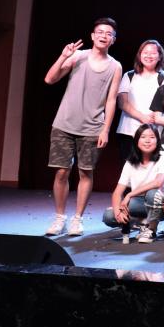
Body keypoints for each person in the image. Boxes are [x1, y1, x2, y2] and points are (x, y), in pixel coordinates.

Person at [44, 17, 123, 237]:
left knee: (86, 172)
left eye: (109, 33)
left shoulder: (115, 66)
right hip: (64, 123)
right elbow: (50, 79)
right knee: (62, 171)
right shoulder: (78, 56)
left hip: (92, 127)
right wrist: (63, 56)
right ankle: (60, 217)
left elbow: (111, 100)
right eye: (100, 32)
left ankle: (77, 219)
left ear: (113, 39)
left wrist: (105, 129)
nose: (104, 36)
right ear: (92, 36)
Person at [101, 124, 164, 244]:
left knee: (152, 194)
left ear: (157, 141)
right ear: (137, 140)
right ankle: (141, 222)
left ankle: (151, 229)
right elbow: (117, 193)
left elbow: (157, 182)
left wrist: (129, 195)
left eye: (152, 137)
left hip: (161, 204)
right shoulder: (130, 163)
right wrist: (118, 212)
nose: (147, 141)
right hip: (138, 203)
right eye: (143, 137)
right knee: (109, 216)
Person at [114, 39, 164, 161]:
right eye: (145, 52)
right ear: (140, 55)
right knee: (128, 168)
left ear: (159, 56)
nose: (149, 56)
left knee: (151, 168)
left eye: (153, 53)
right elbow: (122, 102)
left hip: (154, 133)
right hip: (128, 131)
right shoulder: (129, 75)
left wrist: (152, 118)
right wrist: (142, 117)